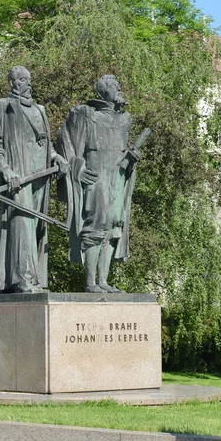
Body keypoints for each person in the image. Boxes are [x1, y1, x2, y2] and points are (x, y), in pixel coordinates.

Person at [0, 66, 68, 293]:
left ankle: (35, 278)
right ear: (11, 83)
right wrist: (6, 170)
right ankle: (22, 279)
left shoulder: (40, 110)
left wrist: (57, 157)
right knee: (21, 221)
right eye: (18, 80)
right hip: (18, 176)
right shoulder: (2, 106)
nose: (23, 83)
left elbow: (45, 144)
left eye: (26, 79)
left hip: (40, 177)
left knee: (37, 226)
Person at [57, 74, 141, 293]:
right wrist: (79, 168)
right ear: (104, 91)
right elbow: (65, 139)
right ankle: (90, 283)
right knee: (96, 227)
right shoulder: (87, 114)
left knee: (113, 228)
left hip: (117, 178)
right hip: (97, 177)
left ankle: (103, 281)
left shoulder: (125, 120)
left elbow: (123, 153)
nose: (119, 88)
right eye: (115, 86)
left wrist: (132, 157)